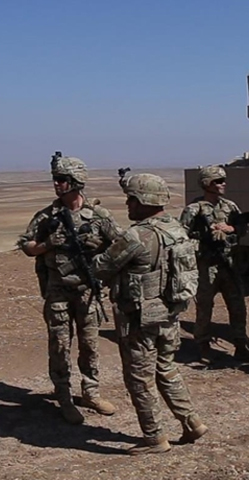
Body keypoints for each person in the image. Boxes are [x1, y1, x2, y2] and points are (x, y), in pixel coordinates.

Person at [93, 173, 208, 455]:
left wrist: (98, 248)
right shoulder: (176, 229)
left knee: (139, 378)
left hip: (139, 318)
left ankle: (155, 438)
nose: (128, 204)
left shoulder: (136, 235)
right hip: (169, 313)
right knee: (166, 368)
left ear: (144, 201)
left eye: (132, 199)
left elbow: (101, 267)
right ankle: (192, 422)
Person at [16, 153, 121, 424]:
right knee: (60, 346)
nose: (56, 184)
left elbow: (120, 247)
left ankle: (91, 392)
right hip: (58, 292)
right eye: (55, 179)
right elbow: (27, 246)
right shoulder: (46, 217)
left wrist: (101, 255)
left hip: (88, 292)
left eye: (62, 179)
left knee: (90, 345)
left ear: (76, 181)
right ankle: (63, 396)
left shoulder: (98, 216)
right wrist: (47, 244)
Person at [179, 165, 249, 363]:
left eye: (223, 181)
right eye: (218, 181)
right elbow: (181, 237)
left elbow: (243, 228)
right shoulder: (194, 209)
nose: (223, 184)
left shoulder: (230, 206)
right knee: (205, 307)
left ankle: (241, 345)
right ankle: (203, 345)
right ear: (206, 184)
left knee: (238, 306)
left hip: (229, 264)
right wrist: (204, 238)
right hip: (207, 266)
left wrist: (231, 228)